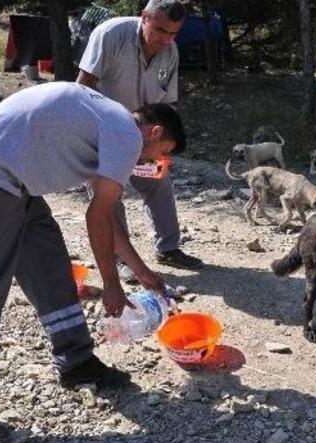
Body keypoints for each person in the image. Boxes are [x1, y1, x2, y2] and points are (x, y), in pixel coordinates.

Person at [0, 81, 185, 443]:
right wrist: (111, 284)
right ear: (155, 132)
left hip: (16, 184)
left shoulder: (109, 121)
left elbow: (107, 215)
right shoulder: (125, 135)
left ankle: (76, 360)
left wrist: (142, 273)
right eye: (158, 154)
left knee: (51, 269)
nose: (149, 163)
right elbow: (97, 216)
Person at [77, 0, 203, 278]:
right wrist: (94, 136)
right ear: (143, 17)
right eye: (160, 30)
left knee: (160, 182)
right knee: (108, 197)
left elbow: (168, 103)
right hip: (105, 134)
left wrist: (163, 145)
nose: (166, 39)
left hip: (146, 137)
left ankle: (168, 249)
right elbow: (83, 87)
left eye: (174, 33)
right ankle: (119, 258)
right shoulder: (111, 34)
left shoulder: (171, 51)